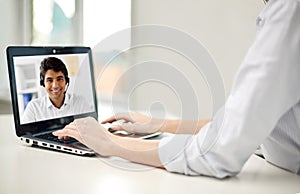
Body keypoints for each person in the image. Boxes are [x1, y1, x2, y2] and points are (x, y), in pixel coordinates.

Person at [53, 0, 300, 178]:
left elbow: (218, 152)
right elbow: (243, 125)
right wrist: (158, 124)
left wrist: (111, 142)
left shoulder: (291, 10)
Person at [22, 57, 92, 124]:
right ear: (43, 83)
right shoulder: (33, 108)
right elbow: (26, 135)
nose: (55, 85)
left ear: (66, 81)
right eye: (49, 80)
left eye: (59, 79)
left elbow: (90, 130)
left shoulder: (81, 103)